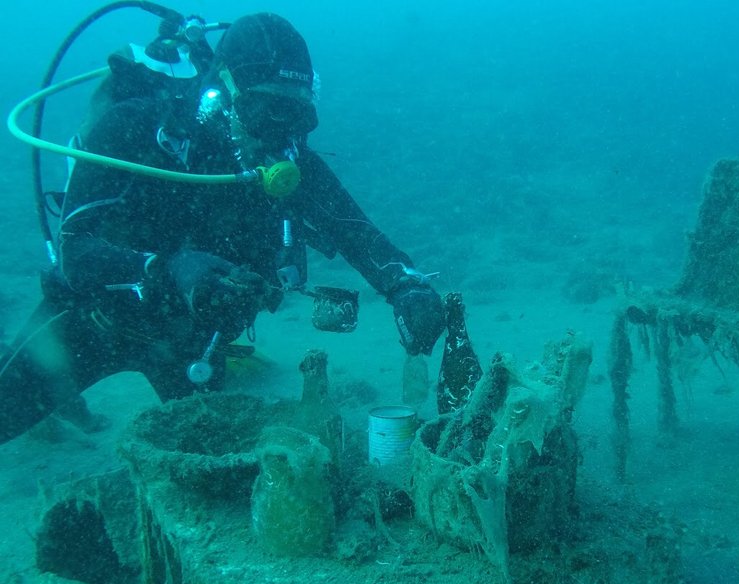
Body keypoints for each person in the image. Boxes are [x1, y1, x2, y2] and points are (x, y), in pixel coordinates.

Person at [0, 12, 444, 444]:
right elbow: (76, 254)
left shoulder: (287, 159)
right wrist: (169, 268)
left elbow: (354, 230)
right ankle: (56, 400)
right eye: (265, 109)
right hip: (92, 326)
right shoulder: (133, 129)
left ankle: (61, 401)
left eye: (296, 114)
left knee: (212, 470)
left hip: (191, 346)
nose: (280, 133)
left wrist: (406, 286)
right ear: (223, 89)